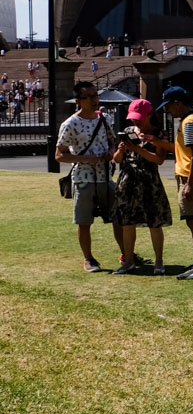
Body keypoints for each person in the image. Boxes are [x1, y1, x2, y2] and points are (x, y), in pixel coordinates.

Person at [56, 81, 121, 272]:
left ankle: (127, 253)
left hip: (105, 176)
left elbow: (112, 143)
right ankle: (89, 259)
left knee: (118, 217)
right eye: (89, 96)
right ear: (79, 101)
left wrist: (110, 152)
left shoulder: (104, 118)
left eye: (96, 95)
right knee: (84, 221)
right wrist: (86, 158)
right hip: (83, 177)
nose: (95, 100)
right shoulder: (70, 124)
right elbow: (59, 155)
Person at [159, 86, 193, 280]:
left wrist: (189, 183)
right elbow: (186, 150)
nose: (167, 111)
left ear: (178, 103)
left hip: (192, 178)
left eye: (168, 106)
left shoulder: (189, 123)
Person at [112, 98, 173, 274]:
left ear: (149, 115)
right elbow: (116, 159)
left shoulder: (158, 134)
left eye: (139, 117)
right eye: (133, 117)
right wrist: (121, 150)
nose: (135, 121)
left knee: (154, 222)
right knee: (127, 222)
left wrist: (138, 149)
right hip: (128, 181)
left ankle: (159, 262)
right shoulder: (128, 131)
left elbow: (159, 160)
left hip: (149, 182)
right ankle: (128, 261)